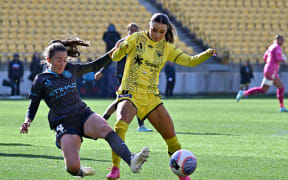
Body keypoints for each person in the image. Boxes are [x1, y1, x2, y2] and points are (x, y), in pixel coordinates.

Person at [19, 36, 149, 178]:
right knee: (72, 167)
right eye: (58, 60)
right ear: (49, 60)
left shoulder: (71, 69)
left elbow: (93, 66)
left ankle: (131, 160)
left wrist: (112, 51)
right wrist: (28, 120)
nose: (62, 64)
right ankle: (81, 171)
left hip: (82, 114)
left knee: (106, 128)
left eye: (65, 60)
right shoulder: (41, 80)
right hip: (64, 123)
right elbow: (33, 105)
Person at [105, 13, 216, 180]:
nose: (157, 35)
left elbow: (190, 61)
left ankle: (183, 176)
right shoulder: (135, 38)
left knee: (172, 140)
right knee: (120, 125)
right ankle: (115, 169)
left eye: (162, 32)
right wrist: (121, 47)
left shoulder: (167, 48)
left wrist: (207, 53)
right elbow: (115, 57)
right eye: (154, 30)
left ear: (166, 31)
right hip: (130, 92)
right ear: (149, 26)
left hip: (152, 97)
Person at [95, 23, 152, 132]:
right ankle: (141, 126)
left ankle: (103, 119)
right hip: (123, 74)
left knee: (123, 99)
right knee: (134, 98)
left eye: (135, 30)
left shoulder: (141, 44)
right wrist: (102, 71)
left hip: (135, 75)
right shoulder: (121, 43)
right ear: (127, 31)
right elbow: (111, 57)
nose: (132, 32)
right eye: (130, 30)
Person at [236, 35, 288, 112]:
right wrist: (283, 58)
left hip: (268, 68)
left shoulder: (271, 47)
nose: (283, 42)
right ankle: (282, 107)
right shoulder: (277, 47)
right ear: (278, 40)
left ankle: (243, 93)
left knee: (263, 90)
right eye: (282, 40)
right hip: (272, 70)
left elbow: (264, 57)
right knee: (281, 88)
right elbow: (277, 59)